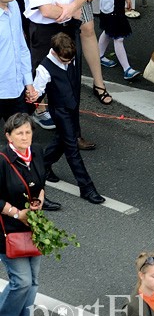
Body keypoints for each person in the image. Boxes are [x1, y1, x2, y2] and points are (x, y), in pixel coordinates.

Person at [20, 0, 90, 130]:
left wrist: (69, 9)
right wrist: (71, 9)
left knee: (71, 80)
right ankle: (18, 126)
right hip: (45, 32)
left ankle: (72, 131)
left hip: (69, 27)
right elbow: (46, 10)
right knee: (39, 81)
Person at [31, 33, 105, 204]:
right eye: (65, 61)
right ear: (55, 53)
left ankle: (44, 164)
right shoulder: (44, 68)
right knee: (72, 147)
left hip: (72, 106)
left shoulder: (70, 56)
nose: (68, 63)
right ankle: (87, 188)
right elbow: (37, 92)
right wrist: (32, 98)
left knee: (62, 140)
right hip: (59, 111)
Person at [0, 113, 46, 316]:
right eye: (19, 133)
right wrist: (18, 214)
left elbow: (41, 185)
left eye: (28, 132)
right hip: (7, 228)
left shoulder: (36, 152)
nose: (25, 136)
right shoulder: (1, 159)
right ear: (9, 135)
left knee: (34, 281)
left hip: (32, 226)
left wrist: (38, 204)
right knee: (22, 281)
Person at [0, 0, 34, 123]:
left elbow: (22, 47)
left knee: (22, 139)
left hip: (16, 90)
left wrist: (28, 83)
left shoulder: (14, 6)